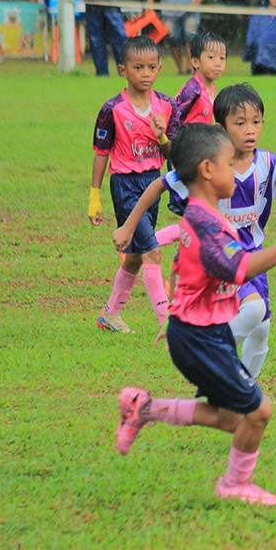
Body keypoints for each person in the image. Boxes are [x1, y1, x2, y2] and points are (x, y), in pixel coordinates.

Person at [113, 123, 276, 506]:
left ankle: (142, 407)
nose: (237, 172)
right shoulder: (205, 223)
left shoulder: (204, 214)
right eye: (230, 164)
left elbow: (184, 268)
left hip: (199, 332)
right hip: (200, 337)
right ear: (208, 170)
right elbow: (242, 269)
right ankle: (234, 485)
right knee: (258, 412)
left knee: (232, 419)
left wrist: (176, 318)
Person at [114, 83, 276, 383]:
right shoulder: (209, 163)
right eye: (240, 123)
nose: (250, 130)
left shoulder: (271, 164)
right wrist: (129, 225)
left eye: (256, 122)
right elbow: (160, 185)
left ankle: (245, 387)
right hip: (219, 253)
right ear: (221, 127)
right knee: (254, 310)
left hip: (253, 253)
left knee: (261, 329)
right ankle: (205, 353)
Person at [89, 36, 180, 334]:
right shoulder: (111, 109)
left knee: (137, 256)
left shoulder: (167, 106)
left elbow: (175, 155)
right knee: (152, 251)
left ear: (159, 69)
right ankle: (167, 324)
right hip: (125, 185)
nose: (145, 73)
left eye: (152, 67)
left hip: (154, 182)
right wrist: (95, 196)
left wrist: (162, 137)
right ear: (122, 70)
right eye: (138, 67)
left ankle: (110, 313)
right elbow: (101, 153)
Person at [176, 30, 226, 125]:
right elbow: (173, 120)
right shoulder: (193, 91)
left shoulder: (212, 88)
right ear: (195, 62)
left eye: (222, 58)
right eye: (211, 57)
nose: (218, 63)